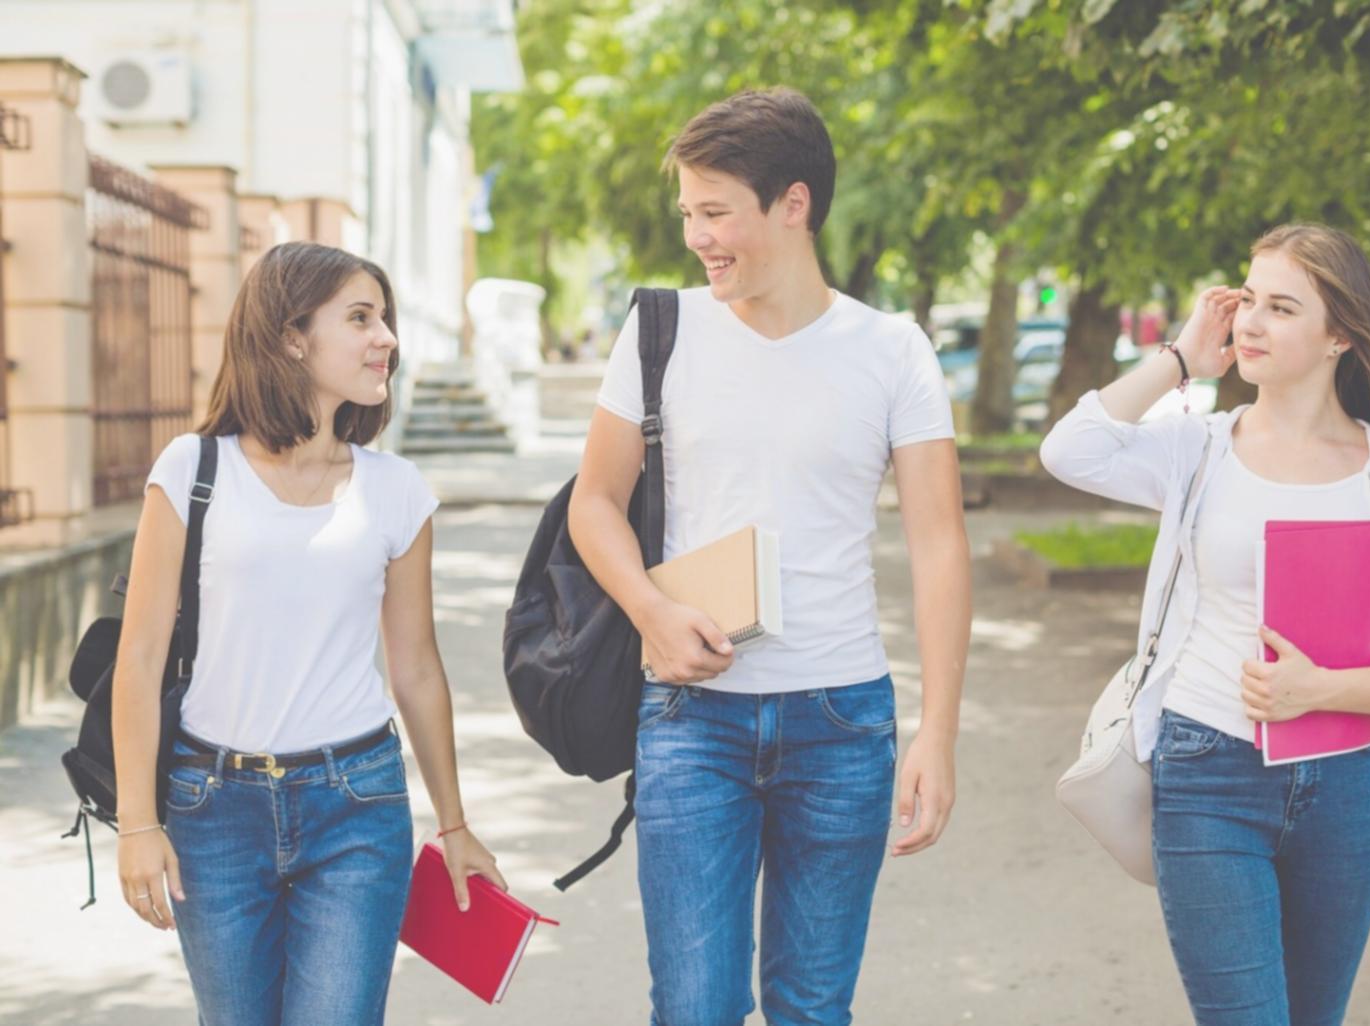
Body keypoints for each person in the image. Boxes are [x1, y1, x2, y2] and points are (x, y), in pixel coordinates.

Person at [1041, 222, 1370, 1026]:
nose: (1250, 323)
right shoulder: (1197, 449)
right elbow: (1069, 452)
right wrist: (1179, 360)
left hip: (1344, 788)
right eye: (1247, 300)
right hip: (1205, 771)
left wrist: (1319, 689)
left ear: (1340, 335)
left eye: (1281, 308)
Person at [568, 87, 972, 1026]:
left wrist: (938, 733)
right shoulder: (661, 331)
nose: (697, 238)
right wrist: (650, 610)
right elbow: (594, 502)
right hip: (690, 720)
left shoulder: (892, 350)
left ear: (793, 203)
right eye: (687, 214)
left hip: (842, 722)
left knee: (811, 1007)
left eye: (715, 213)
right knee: (695, 1007)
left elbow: (939, 544)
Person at [113, 241, 504, 1026]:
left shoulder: (396, 489)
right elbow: (142, 656)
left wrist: (454, 824)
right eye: (359, 318)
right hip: (211, 807)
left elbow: (416, 668)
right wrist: (136, 824)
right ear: (292, 337)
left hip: (355, 803)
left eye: (384, 318)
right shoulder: (192, 469)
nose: (385, 338)